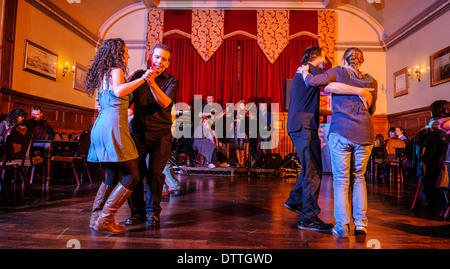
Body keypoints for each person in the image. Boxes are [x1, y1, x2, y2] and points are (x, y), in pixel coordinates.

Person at [285, 46, 373, 233]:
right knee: (313, 171)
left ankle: (295, 201)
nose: (326, 61)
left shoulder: (305, 72)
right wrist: (360, 91)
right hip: (304, 125)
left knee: (312, 168)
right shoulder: (311, 71)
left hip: (301, 123)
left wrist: (336, 111)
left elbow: (312, 104)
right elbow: (330, 84)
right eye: (324, 57)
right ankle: (307, 217)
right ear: (315, 57)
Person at [85, 38, 152, 234]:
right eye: (126, 51)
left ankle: (95, 217)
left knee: (112, 175)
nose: (128, 54)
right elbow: (118, 90)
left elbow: (108, 99)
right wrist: (143, 79)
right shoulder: (116, 70)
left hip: (100, 124)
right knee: (133, 175)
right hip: (113, 126)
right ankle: (106, 219)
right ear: (117, 53)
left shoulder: (102, 74)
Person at [125, 44, 179, 228]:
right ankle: (136, 213)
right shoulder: (137, 76)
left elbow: (164, 102)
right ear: (151, 57)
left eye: (164, 59)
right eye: (157, 57)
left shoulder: (172, 81)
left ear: (168, 62)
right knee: (134, 175)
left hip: (161, 135)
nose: (159, 62)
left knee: (155, 174)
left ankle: (153, 214)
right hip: (138, 133)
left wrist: (151, 82)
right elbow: (126, 100)